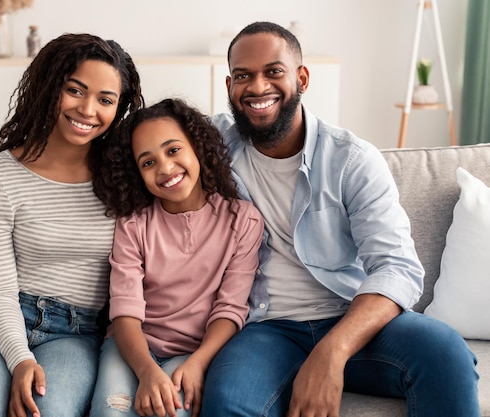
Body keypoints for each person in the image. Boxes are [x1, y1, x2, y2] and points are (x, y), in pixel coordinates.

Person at [200, 21, 480, 417]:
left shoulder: (351, 159)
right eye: (243, 76)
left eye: (273, 71)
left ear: (302, 78)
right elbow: (146, 137)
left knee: (446, 353)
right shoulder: (211, 146)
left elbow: (397, 267)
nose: (258, 86)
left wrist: (332, 352)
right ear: (230, 86)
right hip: (264, 329)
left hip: (352, 318)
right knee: (228, 401)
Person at [0, 33, 144, 417]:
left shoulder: (126, 177)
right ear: (49, 87)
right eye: (75, 91)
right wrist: (19, 360)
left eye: (105, 100)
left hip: (76, 334)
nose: (88, 109)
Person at [89, 98, 264, 417]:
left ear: (197, 146)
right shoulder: (133, 223)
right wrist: (146, 371)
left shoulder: (243, 220)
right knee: (110, 413)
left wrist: (200, 363)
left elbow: (231, 306)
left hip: (194, 352)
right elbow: (125, 308)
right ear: (137, 172)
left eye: (173, 150)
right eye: (148, 162)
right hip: (131, 347)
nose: (165, 169)